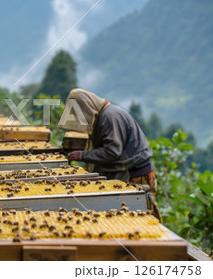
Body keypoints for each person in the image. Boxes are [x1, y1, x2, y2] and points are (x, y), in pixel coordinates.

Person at [59, 88, 161, 219]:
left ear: (87, 109)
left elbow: (113, 151)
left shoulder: (110, 117)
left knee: (141, 216)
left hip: (136, 174)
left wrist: (83, 155)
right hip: (128, 170)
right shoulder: (103, 116)